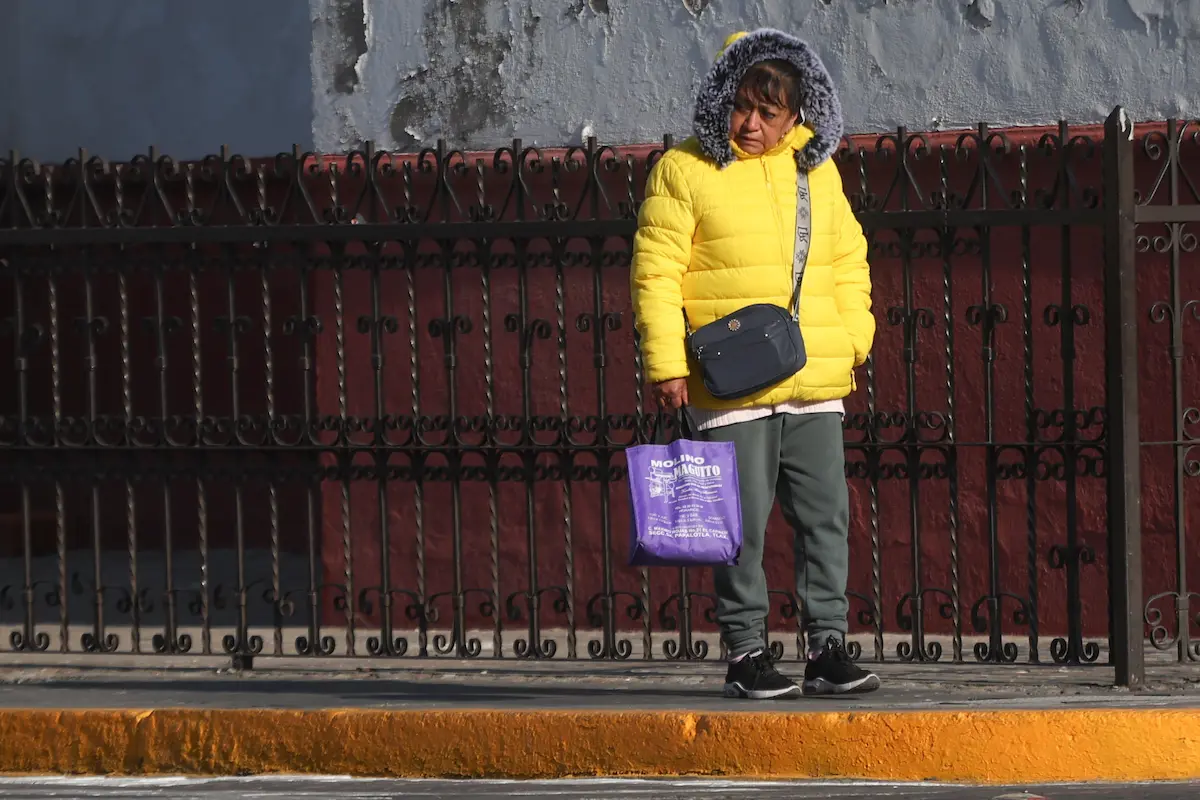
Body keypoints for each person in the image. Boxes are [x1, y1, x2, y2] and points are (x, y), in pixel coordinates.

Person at [630, 28, 878, 699]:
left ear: (797, 114)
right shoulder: (684, 170)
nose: (752, 123)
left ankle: (827, 647)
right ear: (721, 101)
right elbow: (655, 273)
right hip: (730, 386)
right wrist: (665, 366)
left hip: (814, 380)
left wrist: (855, 336)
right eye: (742, 105)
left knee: (827, 518)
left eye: (769, 111)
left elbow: (849, 259)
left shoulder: (815, 170)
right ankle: (746, 653)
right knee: (737, 526)